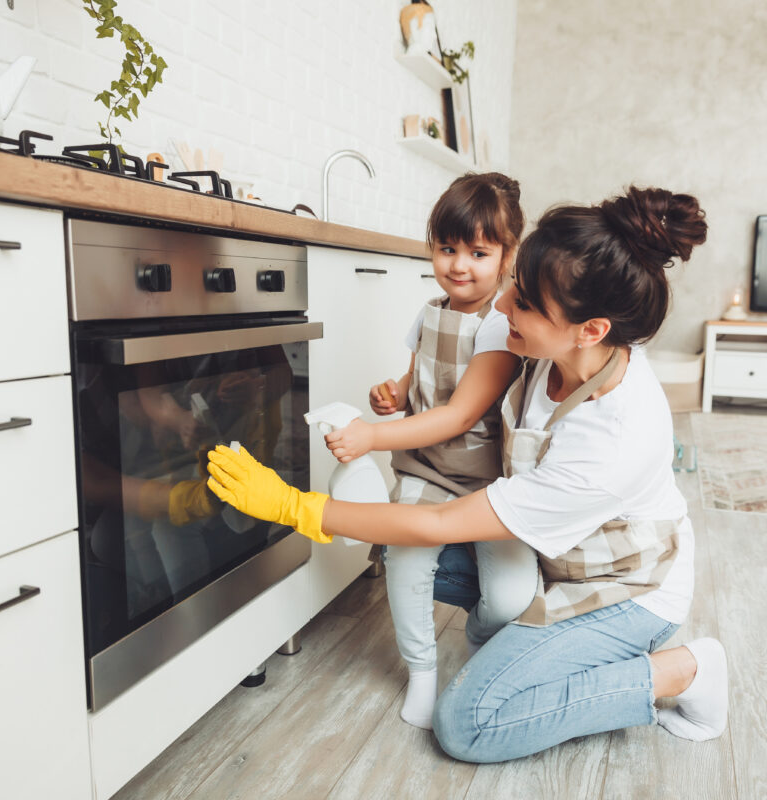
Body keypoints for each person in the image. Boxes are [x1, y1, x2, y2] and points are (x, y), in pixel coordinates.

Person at [206, 184, 729, 762]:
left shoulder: (614, 439)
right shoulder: (553, 349)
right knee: (395, 551)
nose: (501, 306)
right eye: (515, 286)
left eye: (523, 301)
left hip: (624, 591)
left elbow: (444, 522)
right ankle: (537, 646)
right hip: (553, 557)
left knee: (467, 725)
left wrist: (293, 507)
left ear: (592, 330)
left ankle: (685, 671)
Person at [323, 171, 539, 729]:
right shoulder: (430, 311)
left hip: (488, 481)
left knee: (512, 597)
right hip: (427, 470)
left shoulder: (501, 327)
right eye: (447, 249)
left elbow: (460, 414)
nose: (459, 265)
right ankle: (421, 669)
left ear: (507, 256)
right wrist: (393, 393)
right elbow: (421, 382)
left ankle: (479, 637)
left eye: (478, 252)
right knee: (406, 559)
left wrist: (370, 436)